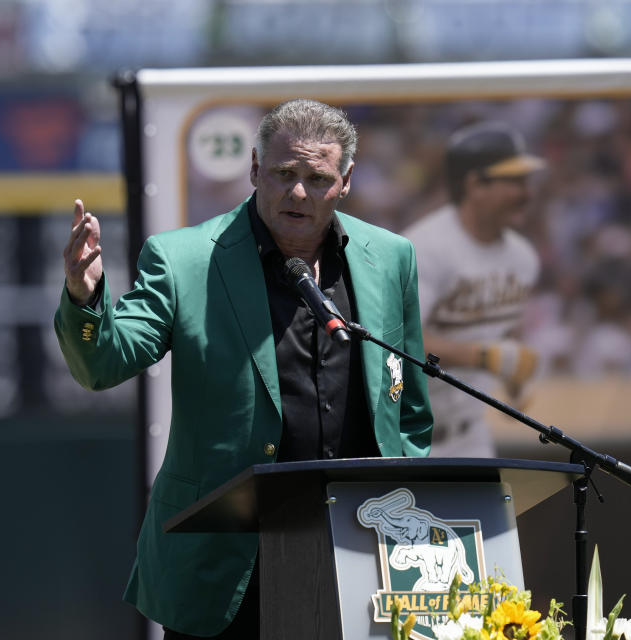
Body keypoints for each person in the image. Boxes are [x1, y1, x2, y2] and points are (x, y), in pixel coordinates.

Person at [55, 99, 433, 638]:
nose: (298, 192)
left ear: (345, 181)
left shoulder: (391, 257)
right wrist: (84, 296)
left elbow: (410, 411)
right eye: (283, 173)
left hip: (359, 551)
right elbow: (105, 363)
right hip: (226, 564)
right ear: (255, 170)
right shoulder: (182, 258)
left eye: (317, 178)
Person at [402, 121, 544, 457]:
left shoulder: (522, 258)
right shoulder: (425, 248)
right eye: (514, 181)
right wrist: (486, 357)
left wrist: (515, 373)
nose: (527, 193)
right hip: (405, 435)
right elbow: (398, 341)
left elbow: (504, 332)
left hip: (471, 435)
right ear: (474, 185)